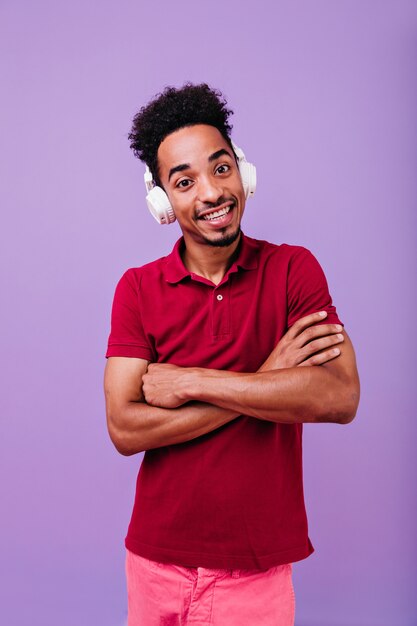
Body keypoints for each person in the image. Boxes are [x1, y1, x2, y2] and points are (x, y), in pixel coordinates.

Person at [104, 83, 360, 626]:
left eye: (221, 169)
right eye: (184, 181)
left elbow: (339, 396)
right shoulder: (137, 289)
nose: (211, 193)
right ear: (162, 202)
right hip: (154, 562)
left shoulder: (294, 269)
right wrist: (270, 378)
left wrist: (192, 380)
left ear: (243, 172)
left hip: (256, 570)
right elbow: (125, 429)